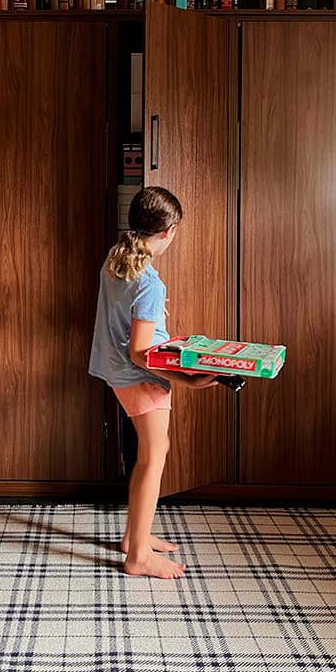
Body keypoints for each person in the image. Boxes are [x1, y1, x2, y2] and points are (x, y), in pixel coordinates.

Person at [89, 186, 216, 579]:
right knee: (153, 458)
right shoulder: (149, 282)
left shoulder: (117, 257)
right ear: (169, 231)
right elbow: (141, 351)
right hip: (140, 377)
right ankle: (138, 555)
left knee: (151, 453)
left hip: (117, 371)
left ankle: (134, 536)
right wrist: (188, 380)